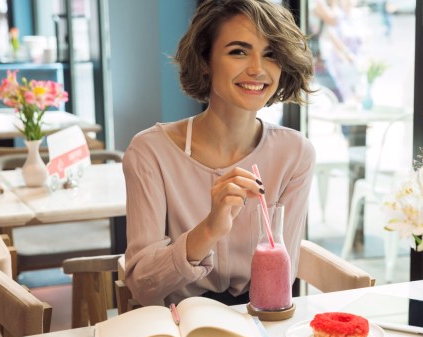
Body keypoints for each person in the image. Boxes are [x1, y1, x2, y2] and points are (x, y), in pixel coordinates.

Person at [122, 0, 315, 307]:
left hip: (257, 320)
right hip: (177, 325)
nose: (257, 68)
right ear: (204, 61)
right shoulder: (150, 152)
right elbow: (143, 284)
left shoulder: (294, 154)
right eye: (238, 51)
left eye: (271, 54)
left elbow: (282, 273)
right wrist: (209, 229)